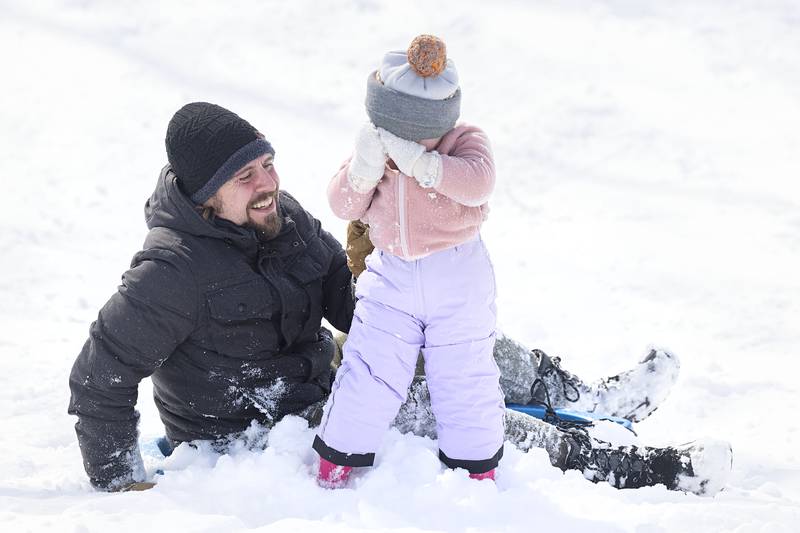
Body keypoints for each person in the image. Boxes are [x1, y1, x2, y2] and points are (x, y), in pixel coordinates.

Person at [68, 101, 729, 495]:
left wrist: (410, 315)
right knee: (440, 406)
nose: (267, 182)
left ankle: (590, 399)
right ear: (206, 192)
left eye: (267, 162)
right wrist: (124, 482)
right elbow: (99, 375)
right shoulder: (171, 269)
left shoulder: (282, 216)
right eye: (245, 176)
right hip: (256, 436)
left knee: (464, 347)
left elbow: (346, 293)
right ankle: (640, 469)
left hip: (326, 380)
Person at [313, 35, 505, 486]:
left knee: (464, 372)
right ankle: (339, 457)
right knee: (370, 367)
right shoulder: (375, 147)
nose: (407, 138)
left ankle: (475, 469)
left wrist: (423, 163)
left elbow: (479, 183)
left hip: (457, 275)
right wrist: (363, 170)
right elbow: (343, 205)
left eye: (417, 130)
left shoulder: (464, 141)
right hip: (392, 276)